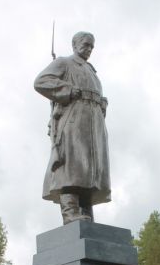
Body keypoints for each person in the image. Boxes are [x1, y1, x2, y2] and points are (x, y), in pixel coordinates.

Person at [34, 31, 111, 225]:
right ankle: (70, 212)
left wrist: (102, 104)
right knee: (72, 165)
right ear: (75, 45)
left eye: (92, 46)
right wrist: (67, 90)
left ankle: (85, 209)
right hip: (74, 121)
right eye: (86, 45)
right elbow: (41, 82)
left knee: (90, 170)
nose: (89, 49)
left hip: (93, 124)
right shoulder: (64, 63)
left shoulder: (92, 71)